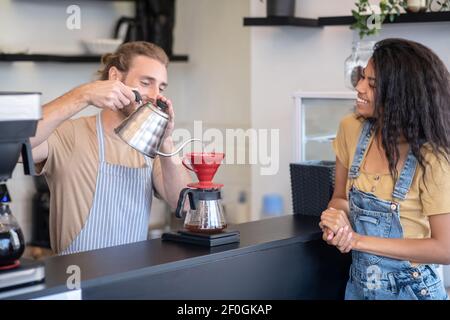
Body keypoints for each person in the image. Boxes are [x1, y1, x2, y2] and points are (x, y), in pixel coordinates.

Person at [30, 41, 192, 255]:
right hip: (76, 280)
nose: (154, 95)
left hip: (130, 282)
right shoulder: (68, 134)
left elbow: (185, 204)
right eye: (146, 83)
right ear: (115, 77)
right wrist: (83, 95)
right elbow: (16, 141)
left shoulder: (150, 147)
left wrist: (166, 140)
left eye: (161, 88)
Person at [320, 38, 450, 300]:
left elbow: (445, 248)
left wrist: (356, 240)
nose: (359, 87)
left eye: (372, 83)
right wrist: (336, 220)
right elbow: (341, 198)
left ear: (403, 95)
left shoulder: (434, 157)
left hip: (414, 291)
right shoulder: (351, 129)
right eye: (362, 77)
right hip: (358, 288)